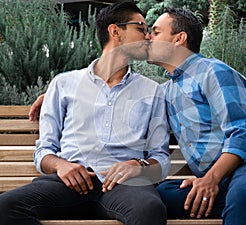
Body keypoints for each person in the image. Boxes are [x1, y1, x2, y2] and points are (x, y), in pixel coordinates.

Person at [0, 2, 170, 225]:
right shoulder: (63, 84)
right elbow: (44, 151)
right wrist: (62, 165)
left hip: (124, 186)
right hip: (68, 184)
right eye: (140, 28)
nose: (148, 36)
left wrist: (138, 165)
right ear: (115, 31)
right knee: (6, 207)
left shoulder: (152, 91)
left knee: (150, 209)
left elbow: (161, 158)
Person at [147, 7, 246, 225]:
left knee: (242, 195)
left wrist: (211, 178)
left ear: (179, 39)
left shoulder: (212, 71)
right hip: (220, 180)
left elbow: (243, 131)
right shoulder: (166, 91)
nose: (148, 38)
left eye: (156, 32)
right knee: (160, 197)